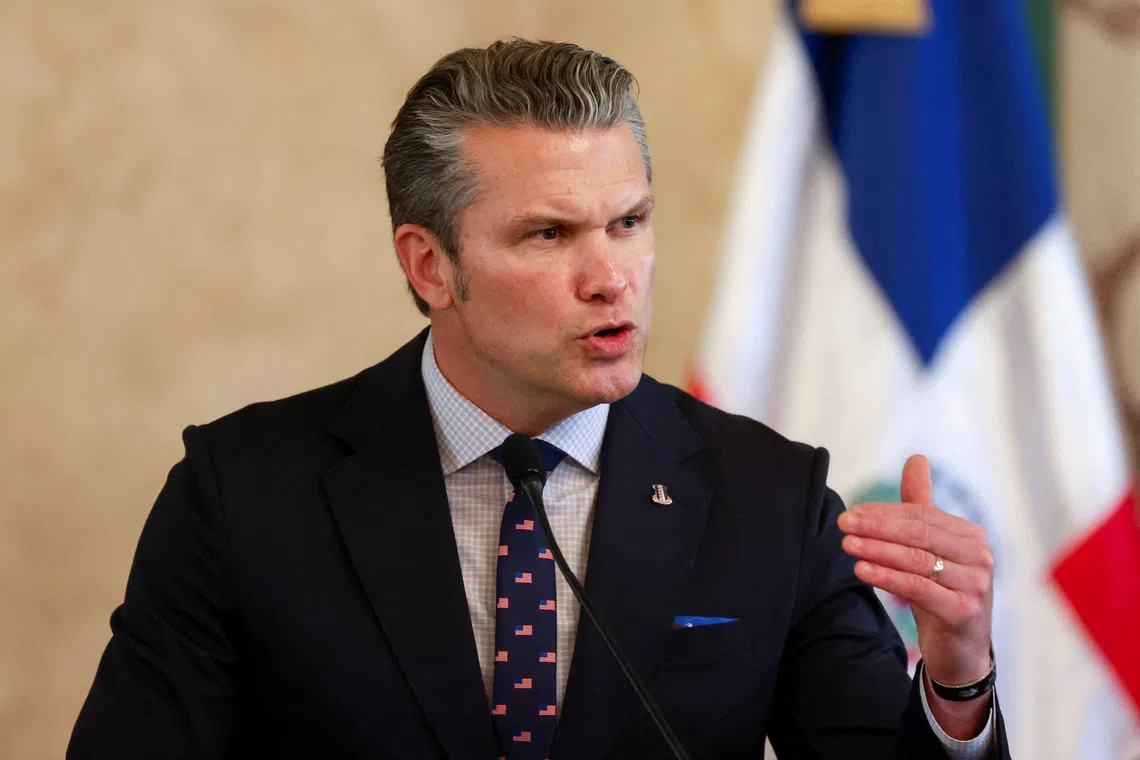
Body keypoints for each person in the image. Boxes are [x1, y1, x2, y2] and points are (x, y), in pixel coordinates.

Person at [68, 39, 1010, 759]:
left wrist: (958, 681)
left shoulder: (772, 497)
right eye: (550, 235)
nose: (612, 279)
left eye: (628, 223)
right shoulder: (243, 495)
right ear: (430, 265)